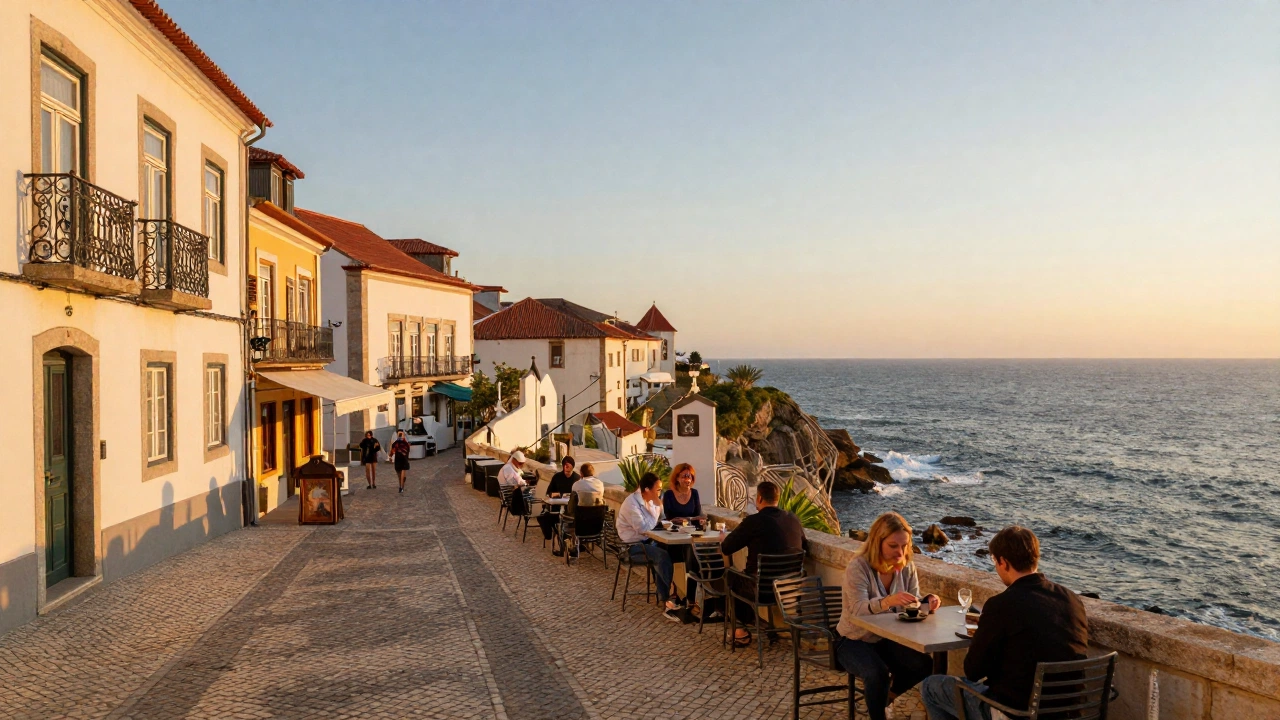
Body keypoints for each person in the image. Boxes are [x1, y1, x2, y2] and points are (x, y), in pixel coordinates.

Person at [920, 526, 1089, 720]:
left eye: (995, 561)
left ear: (1003, 562)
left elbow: (973, 671)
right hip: (1071, 713)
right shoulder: (1072, 600)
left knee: (931, 687)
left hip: (1017, 714)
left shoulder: (1001, 605)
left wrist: (981, 636)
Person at [835, 512, 939, 720]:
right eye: (893, 546)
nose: (900, 552)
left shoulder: (906, 566)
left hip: (887, 639)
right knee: (877, 674)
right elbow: (856, 610)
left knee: (925, 665)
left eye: (904, 546)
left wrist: (928, 601)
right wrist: (887, 602)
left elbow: (913, 600)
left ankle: (887, 698)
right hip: (853, 639)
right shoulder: (859, 567)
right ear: (877, 541)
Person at [719, 480, 806, 646]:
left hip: (760, 590)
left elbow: (727, 548)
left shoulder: (753, 522)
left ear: (759, 498)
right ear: (777, 499)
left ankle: (740, 630)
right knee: (744, 578)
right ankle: (756, 621)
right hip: (789, 588)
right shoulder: (793, 519)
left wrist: (723, 538)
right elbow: (804, 546)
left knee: (730, 575)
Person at [615, 472, 683, 622]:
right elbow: (643, 528)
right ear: (646, 489)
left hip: (645, 542)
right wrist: (659, 507)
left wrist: (663, 516)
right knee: (661, 556)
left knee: (669, 551)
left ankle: (666, 595)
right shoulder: (632, 503)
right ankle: (668, 598)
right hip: (630, 547)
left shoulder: (650, 500)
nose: (660, 493)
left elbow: (658, 521)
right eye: (657, 489)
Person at [661, 463, 705, 614]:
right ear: (677, 478)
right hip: (673, 537)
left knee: (692, 555)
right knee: (683, 554)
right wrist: (686, 519)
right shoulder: (668, 495)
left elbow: (698, 515)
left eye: (690, 476)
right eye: (684, 476)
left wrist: (685, 518)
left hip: (689, 535)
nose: (688, 479)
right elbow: (668, 517)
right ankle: (676, 590)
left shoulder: (695, 493)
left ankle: (690, 597)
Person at [539, 456, 581, 545]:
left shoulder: (577, 479)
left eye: (568, 467)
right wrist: (555, 494)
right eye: (565, 466)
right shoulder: (557, 477)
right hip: (556, 507)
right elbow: (549, 492)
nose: (566, 469)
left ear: (572, 467)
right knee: (543, 517)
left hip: (570, 510)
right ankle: (553, 534)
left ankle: (564, 538)